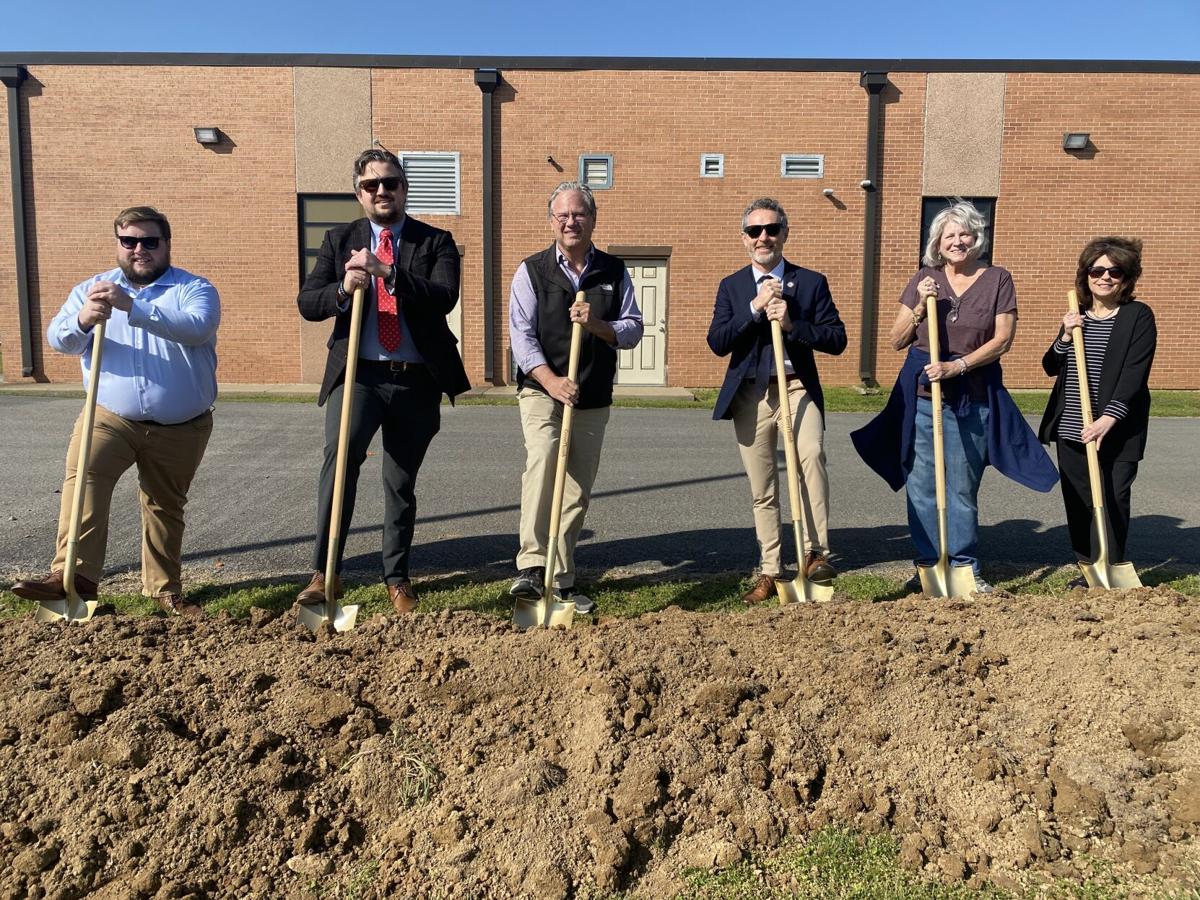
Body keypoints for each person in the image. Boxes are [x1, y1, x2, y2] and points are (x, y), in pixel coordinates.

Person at [12, 207, 220, 617]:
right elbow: (60, 340)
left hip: (182, 424)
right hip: (109, 417)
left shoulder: (194, 288)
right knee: (84, 480)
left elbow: (197, 327)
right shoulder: (92, 289)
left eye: (149, 242)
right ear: (119, 245)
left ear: (166, 245)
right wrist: (83, 319)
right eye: (129, 242)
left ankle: (164, 590)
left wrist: (133, 307)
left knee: (164, 504)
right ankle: (73, 579)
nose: (139, 249)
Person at [295, 148, 469, 614]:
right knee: (339, 467)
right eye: (371, 185)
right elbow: (308, 302)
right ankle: (325, 572)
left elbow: (444, 297)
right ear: (359, 194)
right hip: (359, 375)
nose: (381, 192)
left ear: (404, 188)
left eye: (390, 183)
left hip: (415, 381)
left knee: (399, 481)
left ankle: (396, 578)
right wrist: (341, 290)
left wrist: (388, 273)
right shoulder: (339, 239)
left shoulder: (435, 241)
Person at [851, 199, 1057, 592]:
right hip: (924, 400)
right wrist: (917, 307)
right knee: (922, 485)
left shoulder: (998, 278)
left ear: (976, 238)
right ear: (937, 242)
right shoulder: (924, 279)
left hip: (972, 398)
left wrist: (957, 367)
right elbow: (895, 340)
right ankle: (928, 564)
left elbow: (1002, 340)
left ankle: (964, 566)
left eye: (965, 234)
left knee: (962, 485)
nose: (958, 241)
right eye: (950, 235)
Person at [507, 181, 643, 614]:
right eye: (562, 215)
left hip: (592, 392)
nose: (571, 221)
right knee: (544, 456)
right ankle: (531, 566)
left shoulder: (614, 271)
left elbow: (634, 329)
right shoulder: (531, 270)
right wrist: (551, 381)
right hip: (542, 389)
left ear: (592, 219)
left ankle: (561, 578)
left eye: (579, 214)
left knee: (577, 487)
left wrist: (600, 324)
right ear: (552, 222)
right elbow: (522, 339)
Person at [707, 198, 847, 606]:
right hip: (752, 392)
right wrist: (753, 310)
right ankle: (770, 569)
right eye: (755, 231)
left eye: (771, 229)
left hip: (796, 386)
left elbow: (836, 339)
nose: (763, 237)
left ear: (785, 233)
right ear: (745, 239)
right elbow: (717, 342)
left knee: (811, 456)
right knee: (762, 486)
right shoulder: (732, 287)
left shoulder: (810, 282)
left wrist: (791, 323)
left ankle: (815, 553)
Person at [1038, 237, 1156, 579]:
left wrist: (1108, 419)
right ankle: (1089, 566)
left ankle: (1112, 563)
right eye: (1097, 269)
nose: (1105, 277)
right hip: (1072, 425)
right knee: (1080, 500)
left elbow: (1135, 372)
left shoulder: (1138, 316)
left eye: (1114, 271)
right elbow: (1050, 365)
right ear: (1086, 275)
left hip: (1118, 427)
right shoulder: (1077, 316)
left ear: (1127, 277)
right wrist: (1065, 335)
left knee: (1114, 496)